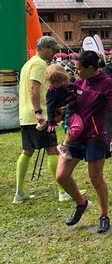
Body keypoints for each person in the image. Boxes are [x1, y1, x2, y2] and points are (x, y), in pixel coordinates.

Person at [55, 50, 112, 233]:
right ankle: (81, 203)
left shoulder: (106, 83)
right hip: (75, 137)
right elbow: (70, 103)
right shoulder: (78, 82)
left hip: (95, 137)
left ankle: (104, 216)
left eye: (79, 69)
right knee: (61, 175)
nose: (76, 72)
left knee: (95, 178)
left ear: (91, 68)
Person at [13, 36, 70, 204]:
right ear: (43, 48)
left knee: (27, 151)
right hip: (39, 116)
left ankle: (19, 193)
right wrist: (39, 112)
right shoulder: (39, 64)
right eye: (53, 49)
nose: (55, 53)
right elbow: (33, 88)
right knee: (52, 150)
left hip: (26, 115)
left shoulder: (28, 63)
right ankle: (63, 191)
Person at [42, 64, 84, 157]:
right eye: (53, 82)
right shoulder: (51, 92)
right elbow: (50, 107)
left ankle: (70, 145)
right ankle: (65, 144)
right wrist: (51, 122)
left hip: (77, 110)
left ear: (63, 78)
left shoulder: (69, 85)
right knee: (77, 127)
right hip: (69, 113)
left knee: (78, 128)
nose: (56, 84)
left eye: (58, 81)